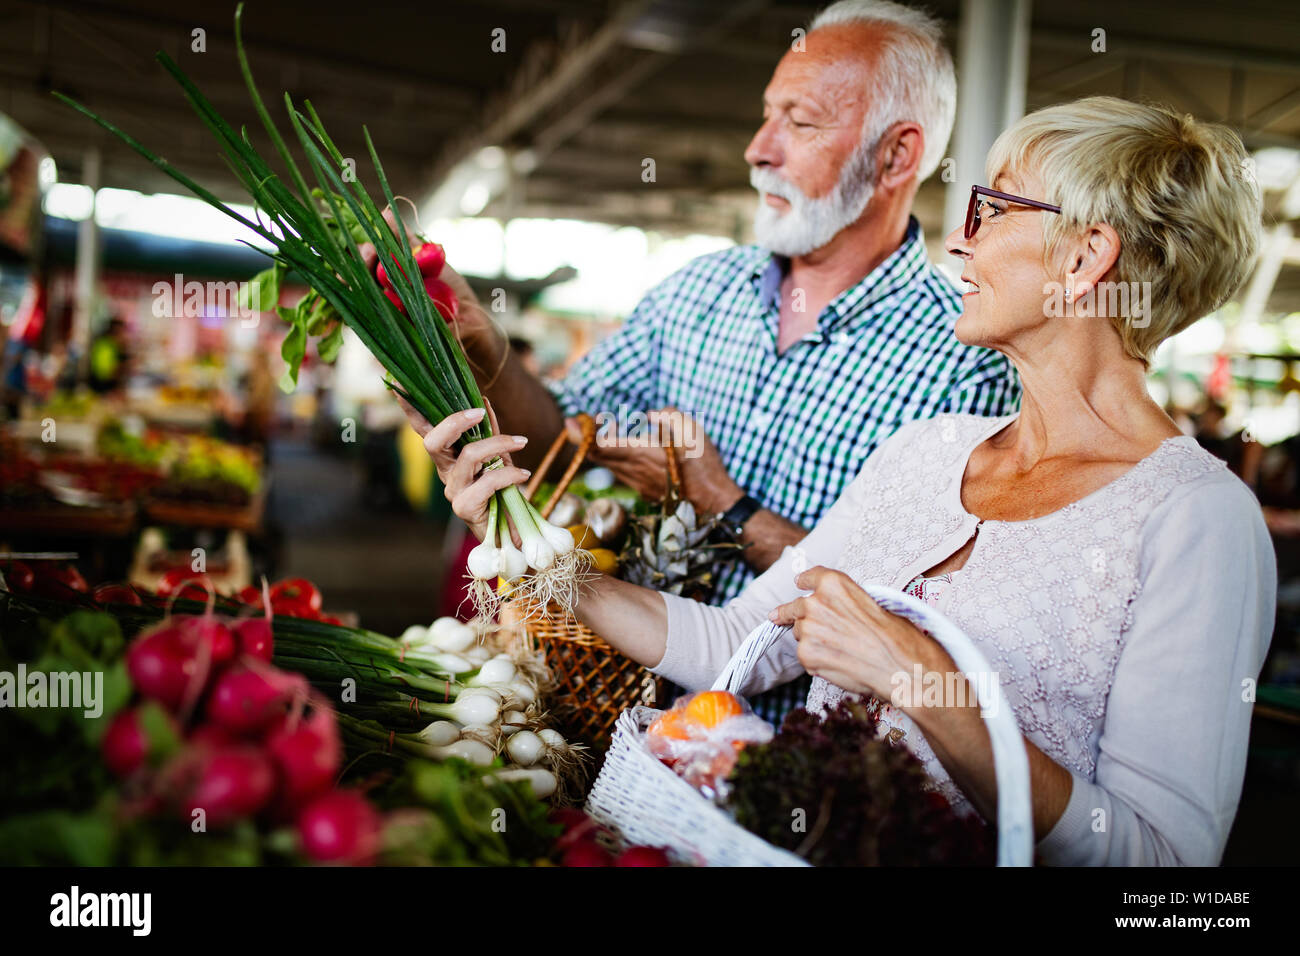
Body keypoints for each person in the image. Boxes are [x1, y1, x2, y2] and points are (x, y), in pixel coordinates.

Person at [407, 96, 1275, 865]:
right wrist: (530, 551)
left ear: (1086, 258)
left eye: (993, 206)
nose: (959, 237)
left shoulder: (1197, 519)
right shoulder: (929, 453)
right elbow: (729, 643)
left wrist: (920, 679)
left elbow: (1162, 862)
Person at [424, 0, 1019, 720]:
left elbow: (913, 618)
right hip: (604, 717)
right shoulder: (696, 292)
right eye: (769, 114)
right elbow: (552, 440)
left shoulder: (965, 362)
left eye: (800, 123)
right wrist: (485, 347)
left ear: (896, 155)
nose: (758, 148)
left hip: (786, 772)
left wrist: (723, 503)